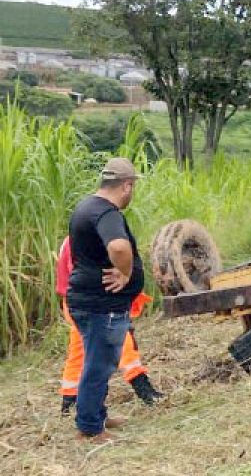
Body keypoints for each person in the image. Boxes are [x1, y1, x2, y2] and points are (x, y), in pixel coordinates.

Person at [66, 157, 147, 443]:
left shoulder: (87, 206)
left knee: (96, 360)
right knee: (99, 366)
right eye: (132, 187)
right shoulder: (107, 213)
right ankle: (89, 428)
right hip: (102, 305)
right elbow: (118, 246)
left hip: (85, 300)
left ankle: (96, 414)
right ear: (126, 185)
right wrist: (125, 273)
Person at [56, 236, 162, 414]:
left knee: (79, 349)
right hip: (93, 301)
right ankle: (144, 390)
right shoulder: (96, 238)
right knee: (122, 339)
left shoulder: (71, 240)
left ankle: (69, 401)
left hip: (74, 302)